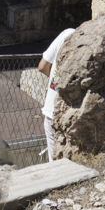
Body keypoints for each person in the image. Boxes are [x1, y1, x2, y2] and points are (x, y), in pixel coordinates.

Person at [38, 25, 77, 160]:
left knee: (54, 161)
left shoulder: (67, 34)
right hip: (72, 113)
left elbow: (42, 67)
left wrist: (56, 83)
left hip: (51, 110)